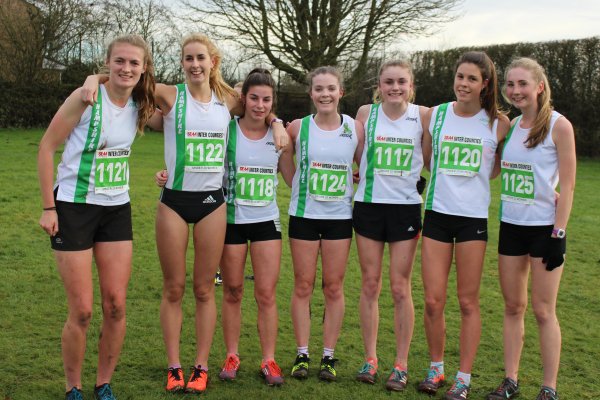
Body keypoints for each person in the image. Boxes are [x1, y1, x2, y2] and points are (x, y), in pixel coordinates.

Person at [82, 33, 288, 394]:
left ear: (213, 62)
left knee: (204, 289)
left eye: (201, 58)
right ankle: (175, 365)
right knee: (174, 288)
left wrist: (276, 124)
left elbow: (262, 107)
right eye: (188, 58)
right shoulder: (169, 95)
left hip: (212, 204)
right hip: (173, 203)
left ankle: (201, 365)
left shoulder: (230, 101)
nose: (195, 64)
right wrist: (90, 79)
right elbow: (126, 79)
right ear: (183, 63)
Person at [38, 34, 155, 400]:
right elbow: (46, 147)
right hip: (73, 208)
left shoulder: (142, 102)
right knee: (84, 310)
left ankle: (103, 383)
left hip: (116, 209)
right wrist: (48, 206)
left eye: (134, 63)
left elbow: (199, 101)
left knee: (116, 305)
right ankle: (72, 386)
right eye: (119, 61)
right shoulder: (85, 97)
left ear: (143, 69)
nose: (127, 68)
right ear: (108, 63)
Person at [417, 51, 510, 400]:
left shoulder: (499, 123)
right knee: (432, 300)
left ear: (485, 84)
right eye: (460, 76)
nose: (463, 84)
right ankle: (436, 369)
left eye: (472, 78)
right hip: (438, 215)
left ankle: (464, 378)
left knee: (468, 302)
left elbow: (505, 165)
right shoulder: (436, 115)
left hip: (473, 220)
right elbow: (427, 158)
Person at [486, 58, 575, 400]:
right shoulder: (508, 126)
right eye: (510, 84)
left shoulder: (558, 125)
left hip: (545, 231)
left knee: (543, 310)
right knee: (512, 307)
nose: (515, 91)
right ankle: (510, 380)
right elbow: (493, 169)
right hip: (511, 226)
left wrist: (559, 234)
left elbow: (567, 186)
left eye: (522, 84)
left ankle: (548, 388)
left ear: (539, 86)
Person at [352, 60, 429, 391]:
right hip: (369, 207)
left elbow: (429, 153)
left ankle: (401, 364)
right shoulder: (366, 114)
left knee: (400, 287)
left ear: (411, 85)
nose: (394, 87)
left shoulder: (424, 115)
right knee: (370, 284)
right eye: (388, 82)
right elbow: (356, 154)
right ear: (379, 86)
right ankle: (370, 359)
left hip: (406, 209)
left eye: (401, 82)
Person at [217, 68, 294, 386]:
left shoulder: (280, 136)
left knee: (265, 294)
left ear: (272, 101)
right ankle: (232, 355)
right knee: (233, 291)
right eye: (254, 98)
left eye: (266, 99)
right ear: (243, 98)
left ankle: (269, 360)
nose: (260, 105)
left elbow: (292, 180)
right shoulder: (226, 128)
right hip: (231, 222)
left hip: (266, 223)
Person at [287, 66, 364, 382]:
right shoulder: (297, 128)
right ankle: (302, 354)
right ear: (311, 94)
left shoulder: (355, 128)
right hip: (304, 215)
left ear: (340, 92)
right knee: (303, 285)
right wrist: (299, 187)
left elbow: (365, 166)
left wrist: (354, 179)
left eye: (331, 88)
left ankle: (329, 357)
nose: (325, 94)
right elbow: (282, 164)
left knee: (333, 287)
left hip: (339, 218)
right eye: (318, 89)